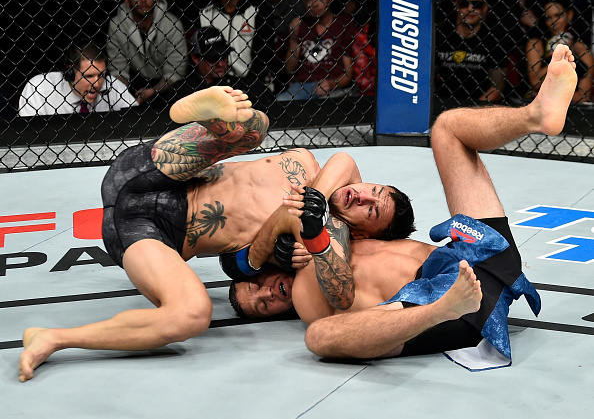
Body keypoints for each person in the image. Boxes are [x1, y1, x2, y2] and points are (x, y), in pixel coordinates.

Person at [17, 85, 414, 382]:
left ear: (366, 234)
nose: (362, 197)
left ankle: (54, 338)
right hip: (162, 171)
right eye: (372, 191)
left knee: (192, 315)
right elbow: (345, 160)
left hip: (154, 232)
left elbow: (239, 266)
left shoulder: (314, 248)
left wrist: (301, 234)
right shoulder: (320, 169)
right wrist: (312, 205)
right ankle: (195, 112)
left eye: (370, 210)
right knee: (253, 126)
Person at [233, 44, 578, 368]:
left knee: (446, 127)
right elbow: (340, 294)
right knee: (319, 336)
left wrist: (312, 207)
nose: (266, 293)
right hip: (450, 307)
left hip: (480, 255)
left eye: (255, 286)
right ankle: (443, 309)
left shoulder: (337, 225)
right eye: (262, 305)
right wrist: (315, 239)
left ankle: (535, 115)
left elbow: (342, 162)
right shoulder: (309, 290)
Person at [107, 0, 187, 106]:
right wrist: (124, 97)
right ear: (127, 0)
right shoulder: (117, 25)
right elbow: (118, 69)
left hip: (165, 85)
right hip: (134, 81)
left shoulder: (172, 24)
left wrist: (152, 91)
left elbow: (175, 72)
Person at [18, 41, 137, 117]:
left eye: (101, 75)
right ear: (70, 72)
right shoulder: (39, 89)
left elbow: (138, 121)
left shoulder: (113, 87)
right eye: (89, 76)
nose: (96, 84)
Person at [276, 0, 358, 101]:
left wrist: (332, 84)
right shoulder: (301, 25)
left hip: (333, 84)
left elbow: (349, 73)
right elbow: (289, 70)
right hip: (303, 85)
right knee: (282, 101)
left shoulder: (342, 25)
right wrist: (294, 39)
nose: (314, 4)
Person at [176, 26, 273, 109]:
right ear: (195, 58)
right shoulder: (183, 92)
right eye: (213, 59)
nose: (221, 64)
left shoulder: (249, 87)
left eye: (224, 57)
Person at [435, 0, 509, 102]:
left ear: (485, 8)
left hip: (479, 109)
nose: (470, 8)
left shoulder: (494, 41)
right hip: (441, 103)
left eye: (477, 5)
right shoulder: (440, 36)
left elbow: (496, 89)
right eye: (464, 3)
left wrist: (471, 112)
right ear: (456, 6)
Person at [525, 0, 594, 102]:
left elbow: (583, 97)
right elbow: (535, 82)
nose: (553, 21)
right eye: (548, 17)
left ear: (569, 15)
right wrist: (556, 56)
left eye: (558, 15)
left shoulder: (580, 49)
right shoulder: (537, 44)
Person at [197, 0, 257, 79]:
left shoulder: (256, 12)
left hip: (249, 80)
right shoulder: (205, 13)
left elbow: (264, 58)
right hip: (212, 80)